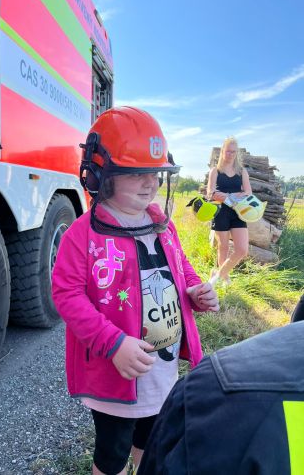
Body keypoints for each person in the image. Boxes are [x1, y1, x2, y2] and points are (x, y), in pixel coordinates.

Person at [52, 106, 219, 475]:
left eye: (156, 173)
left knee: (153, 439)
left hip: (161, 366)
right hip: (118, 370)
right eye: (136, 173)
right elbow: (66, 294)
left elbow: (179, 266)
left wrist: (194, 289)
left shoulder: (162, 225)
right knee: (112, 453)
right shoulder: (83, 235)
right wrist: (112, 342)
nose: (151, 183)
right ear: (100, 175)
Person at [138, 321, 304, 475]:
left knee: (141, 440)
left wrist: (197, 295)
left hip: (165, 388)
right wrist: (116, 342)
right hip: (127, 397)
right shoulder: (219, 391)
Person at [207, 136, 252, 285]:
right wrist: (229, 196)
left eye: (233, 152)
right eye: (228, 151)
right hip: (221, 212)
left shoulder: (241, 171)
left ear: (236, 153)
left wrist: (227, 195)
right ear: (222, 152)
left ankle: (217, 275)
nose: (230, 154)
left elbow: (248, 193)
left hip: (238, 211)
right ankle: (223, 279)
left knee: (242, 250)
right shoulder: (216, 171)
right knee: (223, 246)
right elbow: (211, 193)